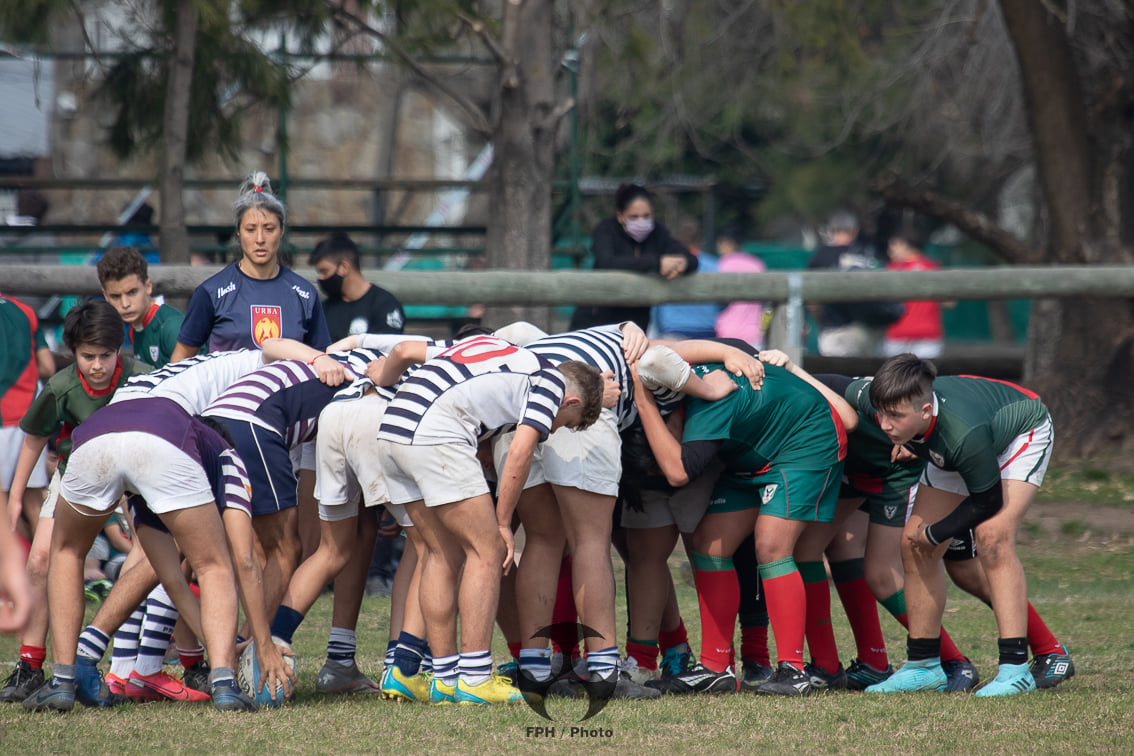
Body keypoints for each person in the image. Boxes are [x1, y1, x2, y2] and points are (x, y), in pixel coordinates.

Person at [374, 335, 604, 705]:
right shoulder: (550, 385)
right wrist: (501, 523)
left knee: (439, 553)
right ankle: (475, 678)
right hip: (435, 431)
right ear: (571, 401)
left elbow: (409, 352)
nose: (553, 429)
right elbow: (519, 452)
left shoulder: (503, 351)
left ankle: (445, 679)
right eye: (564, 422)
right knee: (487, 550)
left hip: (392, 428)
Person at [21, 400, 293, 713]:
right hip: (163, 445)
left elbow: (173, 581)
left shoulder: (146, 480)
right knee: (213, 566)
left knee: (67, 551)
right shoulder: (225, 453)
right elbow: (244, 561)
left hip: (93, 440)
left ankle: (62, 681)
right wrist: (263, 643)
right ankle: (224, 686)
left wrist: (224, 645)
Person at [631, 345, 857, 696]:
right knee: (709, 542)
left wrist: (643, 402)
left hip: (806, 440)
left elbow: (676, 472)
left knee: (770, 545)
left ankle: (793, 670)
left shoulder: (707, 401)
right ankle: (715, 666)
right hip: (756, 450)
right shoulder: (679, 372)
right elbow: (657, 350)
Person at [850, 354, 1065, 697]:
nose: (885, 424)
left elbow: (986, 501)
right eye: (881, 414)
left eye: (895, 417)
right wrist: (790, 366)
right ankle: (924, 666)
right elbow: (838, 389)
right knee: (913, 543)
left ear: (924, 411)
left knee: (992, 538)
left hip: (1020, 431)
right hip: (951, 445)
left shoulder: (963, 433)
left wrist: (937, 532)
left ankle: (1015, 670)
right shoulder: (881, 398)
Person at [0, 302, 150, 704]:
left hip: (133, 475)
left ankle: (178, 663)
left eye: (105, 355)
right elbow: (34, 438)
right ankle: (30, 666)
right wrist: (16, 498)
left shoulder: (143, 379)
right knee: (41, 560)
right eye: (88, 357)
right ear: (73, 352)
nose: (97, 366)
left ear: (120, 350)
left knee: (155, 555)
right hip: (76, 473)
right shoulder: (61, 385)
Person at [170, 172, 330, 361]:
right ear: (238, 231)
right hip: (229, 390)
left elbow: (321, 358)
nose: (260, 239)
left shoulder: (305, 294)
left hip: (288, 390)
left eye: (269, 229)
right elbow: (180, 359)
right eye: (251, 229)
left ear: (282, 230)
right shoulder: (211, 292)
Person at [569, 184, 699, 332]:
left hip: (636, 326)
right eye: (634, 217)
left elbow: (691, 259)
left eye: (646, 216)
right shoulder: (605, 230)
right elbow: (608, 262)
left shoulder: (657, 233)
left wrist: (682, 264)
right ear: (620, 215)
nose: (641, 222)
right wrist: (656, 263)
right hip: (597, 323)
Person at [0, 292, 54, 544]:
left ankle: (18, 575)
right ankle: (48, 574)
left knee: (4, 510)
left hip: (4, 416)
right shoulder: (24, 311)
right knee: (33, 502)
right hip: (31, 411)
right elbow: (47, 367)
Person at [806, 209, 895, 356]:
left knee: (840, 377)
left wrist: (820, 318)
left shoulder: (822, 256)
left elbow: (812, 299)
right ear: (854, 231)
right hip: (870, 329)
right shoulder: (868, 254)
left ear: (831, 230)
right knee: (869, 376)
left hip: (836, 329)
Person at [96, 246, 186, 368]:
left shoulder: (172, 327)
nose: (125, 304)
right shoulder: (135, 327)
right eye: (116, 296)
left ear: (148, 286)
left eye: (132, 292)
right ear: (105, 296)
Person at [309, 232, 405, 340]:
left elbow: (385, 350)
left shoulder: (385, 305)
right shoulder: (324, 309)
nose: (320, 278)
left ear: (344, 267)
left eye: (324, 271)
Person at [650, 217, 720, 339]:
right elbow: (723, 301)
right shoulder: (713, 264)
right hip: (707, 332)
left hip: (672, 331)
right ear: (700, 239)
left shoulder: (666, 265)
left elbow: (655, 305)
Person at [883, 229, 948, 358]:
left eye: (894, 245)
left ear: (905, 245)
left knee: (895, 377)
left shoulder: (892, 270)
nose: (890, 251)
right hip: (917, 335)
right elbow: (948, 302)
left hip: (908, 336)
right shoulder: (932, 267)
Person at [714, 227, 767, 348]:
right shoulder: (757, 264)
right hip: (754, 333)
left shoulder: (722, 264)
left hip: (727, 331)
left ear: (728, 243)